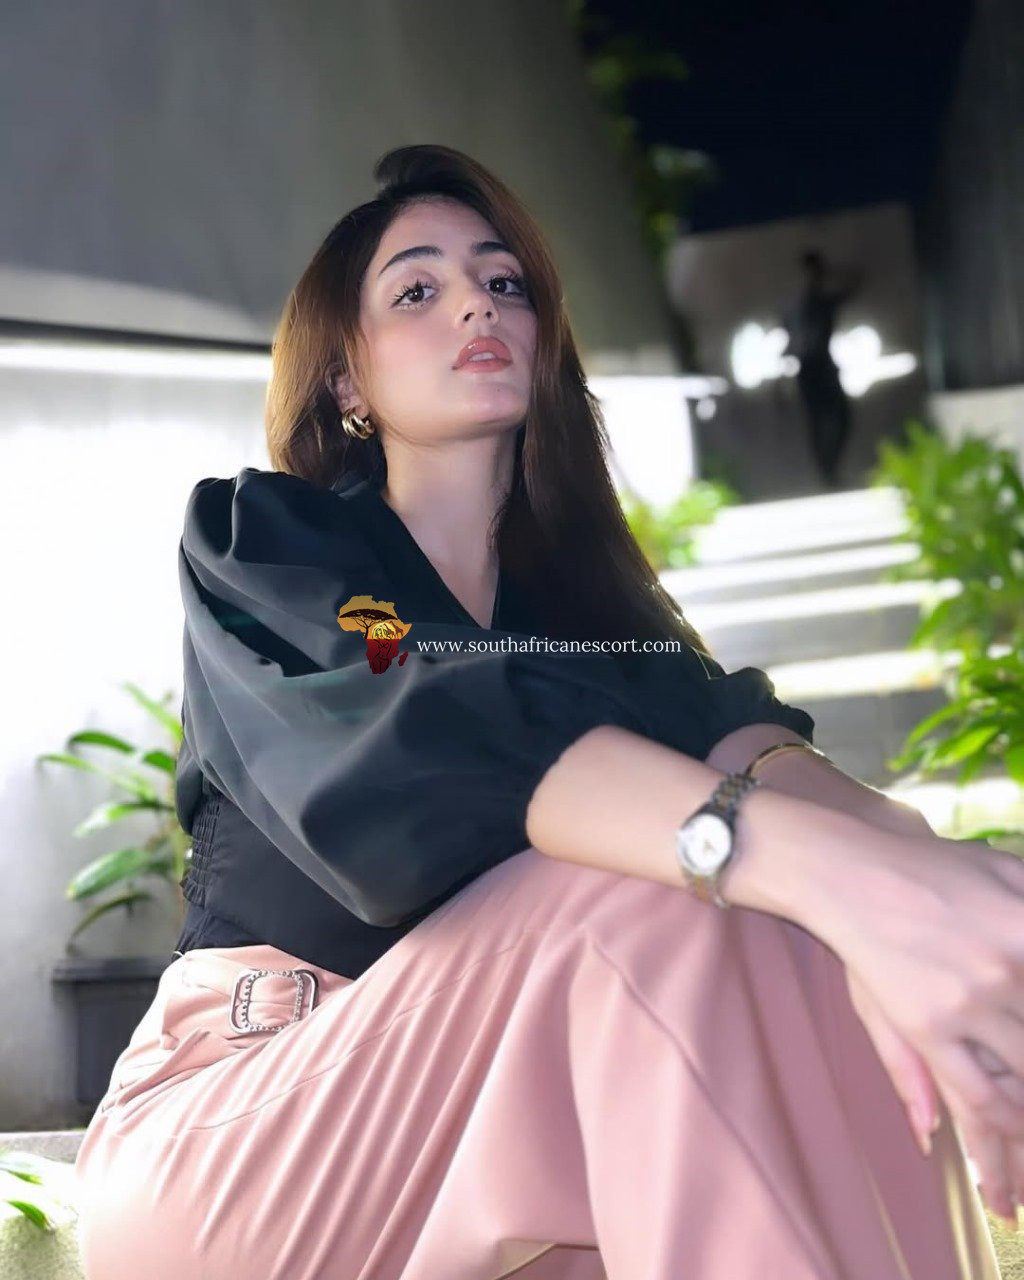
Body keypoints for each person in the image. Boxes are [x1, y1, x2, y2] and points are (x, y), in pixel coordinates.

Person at [71, 144, 1016, 1280]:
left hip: (511, 1142)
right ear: (347, 383)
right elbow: (439, 728)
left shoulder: (592, 625)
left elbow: (764, 755)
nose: (476, 301)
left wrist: (912, 874)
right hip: (248, 1129)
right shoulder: (276, 547)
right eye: (417, 291)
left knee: (823, 935)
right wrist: (819, 871)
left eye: (503, 281)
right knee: (653, 887)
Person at [782, 249, 862, 490]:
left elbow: (855, 283)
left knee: (836, 418)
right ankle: (827, 473)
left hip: (820, 365)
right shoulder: (799, 305)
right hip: (810, 367)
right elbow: (793, 338)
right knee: (819, 421)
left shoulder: (818, 302)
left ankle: (829, 470)